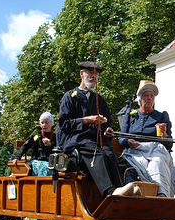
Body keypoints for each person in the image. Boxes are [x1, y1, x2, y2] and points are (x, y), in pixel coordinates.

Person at [58, 61, 139, 197]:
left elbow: (106, 124)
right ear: (81, 74)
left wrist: (107, 131)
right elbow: (64, 124)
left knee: (109, 152)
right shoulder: (69, 97)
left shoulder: (100, 100)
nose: (93, 76)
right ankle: (109, 191)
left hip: (95, 139)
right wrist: (86, 120)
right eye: (90, 73)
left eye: (95, 74)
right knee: (97, 152)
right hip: (76, 140)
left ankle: (122, 191)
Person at [119, 80, 175, 197]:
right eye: (146, 95)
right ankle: (133, 194)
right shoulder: (130, 115)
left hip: (155, 150)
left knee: (158, 161)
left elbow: (169, 145)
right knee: (131, 165)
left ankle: (161, 195)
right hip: (134, 151)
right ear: (139, 99)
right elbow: (121, 138)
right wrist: (128, 142)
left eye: (152, 96)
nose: (149, 98)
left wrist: (164, 135)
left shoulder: (161, 116)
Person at [11, 112, 57, 176]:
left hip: (50, 162)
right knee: (44, 168)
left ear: (51, 123)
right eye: (42, 123)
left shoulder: (55, 137)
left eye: (46, 122)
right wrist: (17, 157)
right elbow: (26, 145)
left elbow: (58, 150)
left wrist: (50, 145)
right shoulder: (37, 135)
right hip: (37, 161)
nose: (44, 125)